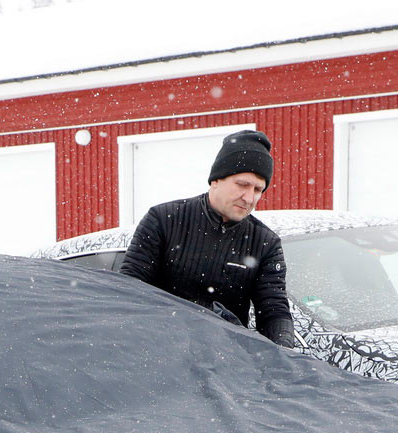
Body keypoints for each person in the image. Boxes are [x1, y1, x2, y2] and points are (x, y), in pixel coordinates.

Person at [119, 130, 295, 347]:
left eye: (258, 189)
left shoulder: (265, 243)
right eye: (242, 184)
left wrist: (285, 352)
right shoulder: (163, 220)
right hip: (159, 351)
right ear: (216, 180)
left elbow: (274, 312)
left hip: (226, 361)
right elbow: (129, 291)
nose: (249, 198)